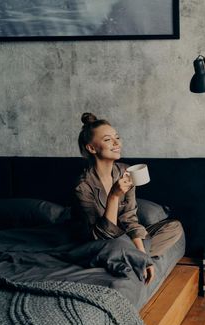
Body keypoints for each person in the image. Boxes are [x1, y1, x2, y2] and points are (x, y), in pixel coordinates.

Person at [74, 112, 184, 285]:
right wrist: (114, 196)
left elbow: (129, 219)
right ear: (91, 148)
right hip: (99, 243)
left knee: (174, 227)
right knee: (117, 245)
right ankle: (127, 256)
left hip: (123, 239)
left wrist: (142, 256)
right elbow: (102, 235)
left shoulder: (124, 171)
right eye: (108, 139)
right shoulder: (83, 186)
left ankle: (132, 257)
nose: (117, 143)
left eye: (117, 137)